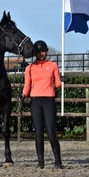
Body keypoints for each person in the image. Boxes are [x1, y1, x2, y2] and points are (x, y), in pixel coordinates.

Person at [21, 40, 63, 169]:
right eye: (39, 51)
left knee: (51, 132)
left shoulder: (53, 65)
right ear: (35, 52)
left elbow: (57, 84)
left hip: (48, 100)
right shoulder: (29, 68)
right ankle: (41, 162)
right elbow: (27, 85)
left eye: (43, 51)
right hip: (35, 101)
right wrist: (23, 94)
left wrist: (60, 82)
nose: (41, 54)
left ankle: (58, 161)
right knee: (38, 132)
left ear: (46, 51)